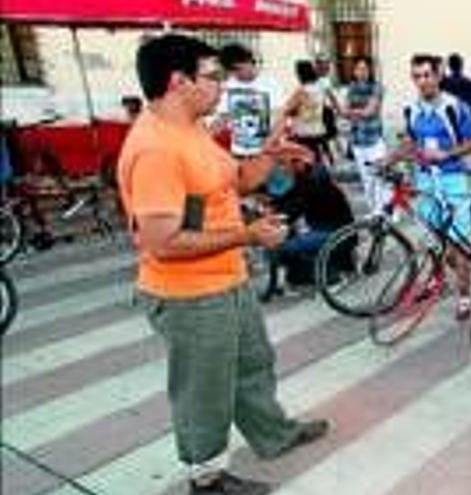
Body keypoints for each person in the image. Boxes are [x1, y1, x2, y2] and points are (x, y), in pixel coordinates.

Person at [117, 34, 329, 495]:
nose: (222, 86)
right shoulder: (155, 148)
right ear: (179, 82)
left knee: (254, 363)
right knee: (204, 387)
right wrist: (247, 235)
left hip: (226, 279)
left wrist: (271, 156)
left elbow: (232, 180)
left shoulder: (191, 129)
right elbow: (163, 241)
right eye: (213, 76)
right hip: (187, 295)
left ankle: (274, 435)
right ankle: (206, 477)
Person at [386, 54, 471, 320]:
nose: (423, 81)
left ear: (438, 76)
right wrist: (388, 160)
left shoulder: (455, 107)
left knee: (459, 245)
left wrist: (447, 153)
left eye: (427, 75)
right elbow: (409, 143)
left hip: (452, 180)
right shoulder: (412, 109)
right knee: (435, 240)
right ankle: (438, 282)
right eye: (417, 76)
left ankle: (465, 297)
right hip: (425, 181)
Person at [269, 160, 356, 287]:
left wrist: (277, 217)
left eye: (286, 164)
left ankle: (330, 277)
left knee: (286, 248)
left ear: (299, 163)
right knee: (287, 243)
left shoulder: (312, 181)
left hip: (334, 231)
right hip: (333, 228)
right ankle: (299, 277)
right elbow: (292, 202)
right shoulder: (307, 177)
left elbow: (295, 208)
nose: (284, 168)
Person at [340, 56, 390, 217]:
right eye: (358, 69)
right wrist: (356, 113)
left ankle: (389, 209)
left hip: (373, 138)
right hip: (357, 139)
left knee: (381, 177)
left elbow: (371, 111)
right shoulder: (352, 87)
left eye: (365, 69)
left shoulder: (377, 87)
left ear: (370, 71)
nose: (361, 72)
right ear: (354, 71)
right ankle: (375, 210)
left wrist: (353, 112)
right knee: (366, 178)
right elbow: (343, 111)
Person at [215, 43, 283, 158]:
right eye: (231, 71)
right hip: (237, 153)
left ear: (249, 61)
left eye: (238, 69)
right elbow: (223, 118)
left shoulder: (270, 84)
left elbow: (280, 119)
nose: (236, 74)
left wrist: (269, 144)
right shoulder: (228, 86)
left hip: (266, 154)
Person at [279, 60, 332, 165]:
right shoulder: (320, 88)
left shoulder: (301, 91)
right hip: (319, 130)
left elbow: (286, 110)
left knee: (306, 163)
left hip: (303, 132)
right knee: (318, 161)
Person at [314, 54, 342, 164]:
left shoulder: (325, 79)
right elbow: (331, 96)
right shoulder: (316, 79)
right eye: (324, 65)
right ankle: (330, 158)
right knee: (325, 137)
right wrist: (339, 109)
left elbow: (331, 96)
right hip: (319, 112)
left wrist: (338, 109)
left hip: (325, 111)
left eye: (327, 65)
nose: (327, 68)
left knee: (331, 135)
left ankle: (333, 156)